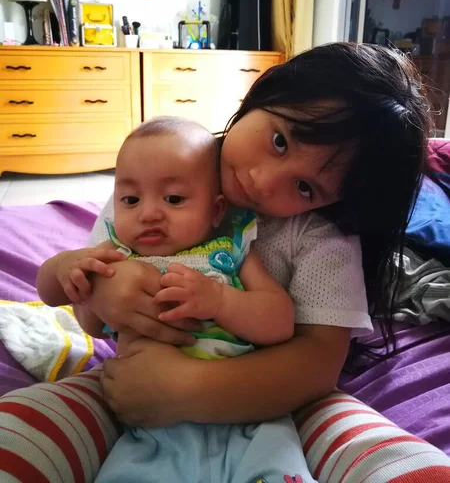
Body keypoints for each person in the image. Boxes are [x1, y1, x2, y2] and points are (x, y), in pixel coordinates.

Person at [4, 42, 430, 483]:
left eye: (305, 187)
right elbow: (87, 313)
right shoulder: (155, 180)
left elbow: (319, 360)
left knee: (398, 459)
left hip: (278, 405)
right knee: (22, 429)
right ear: (264, 90)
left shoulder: (320, 236)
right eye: (280, 141)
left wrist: (187, 389)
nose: (262, 182)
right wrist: (103, 291)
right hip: (129, 392)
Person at [38, 116, 304, 482]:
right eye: (130, 199)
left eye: (173, 198)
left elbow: (280, 322)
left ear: (216, 211)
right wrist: (67, 269)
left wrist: (222, 302)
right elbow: (82, 319)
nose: (148, 213)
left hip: (250, 419)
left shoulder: (230, 251)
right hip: (150, 432)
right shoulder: (114, 254)